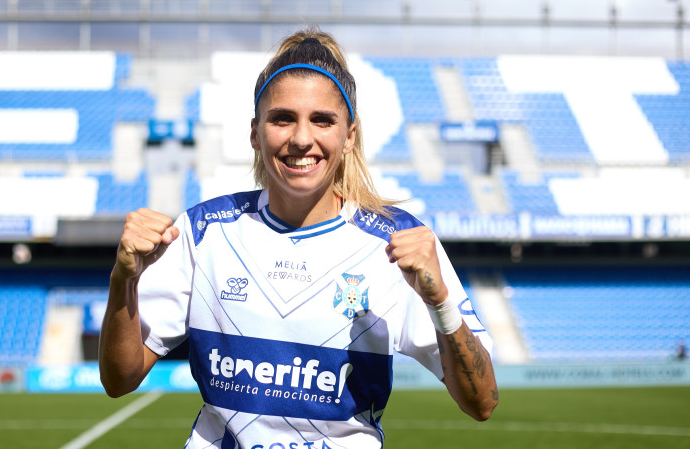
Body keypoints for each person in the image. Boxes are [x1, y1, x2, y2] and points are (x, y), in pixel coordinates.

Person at [99, 27, 498, 448]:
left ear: (349, 136)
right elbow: (119, 379)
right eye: (282, 118)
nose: (302, 139)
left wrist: (439, 301)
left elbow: (482, 402)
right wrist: (124, 279)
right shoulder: (203, 232)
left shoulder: (397, 241)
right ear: (255, 133)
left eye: (322, 120)